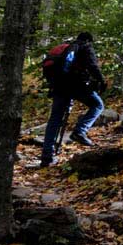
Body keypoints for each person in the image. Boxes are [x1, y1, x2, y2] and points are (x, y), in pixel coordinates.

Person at [41, 31, 106, 168]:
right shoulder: (85, 47)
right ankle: (79, 131)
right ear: (89, 40)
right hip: (76, 84)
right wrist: (102, 81)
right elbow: (93, 66)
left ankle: (47, 157)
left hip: (58, 86)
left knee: (55, 120)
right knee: (97, 105)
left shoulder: (67, 48)